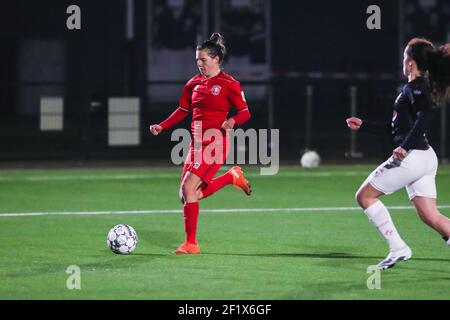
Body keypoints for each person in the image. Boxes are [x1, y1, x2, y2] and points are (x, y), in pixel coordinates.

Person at [346, 37, 450, 269]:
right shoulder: (416, 87)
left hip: (412, 157)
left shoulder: (417, 87)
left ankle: (398, 248)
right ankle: (398, 248)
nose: (403, 63)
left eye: (405, 59)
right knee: (430, 216)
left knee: (364, 196)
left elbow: (425, 118)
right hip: (425, 157)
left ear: (411, 64)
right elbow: (395, 129)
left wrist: (405, 147)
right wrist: (363, 125)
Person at [149, 33, 252, 254]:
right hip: (196, 144)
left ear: (216, 59)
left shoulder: (229, 84)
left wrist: (232, 120)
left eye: (203, 60)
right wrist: (163, 126)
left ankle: (191, 244)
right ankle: (230, 177)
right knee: (186, 195)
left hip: (215, 144)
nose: (199, 64)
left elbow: (245, 112)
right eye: (197, 60)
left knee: (188, 188)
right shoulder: (193, 83)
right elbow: (183, 110)